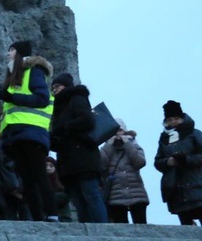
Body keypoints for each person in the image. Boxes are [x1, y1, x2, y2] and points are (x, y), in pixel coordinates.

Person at [0, 40, 58, 222]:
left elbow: (42, 98)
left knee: (38, 174)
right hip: (17, 134)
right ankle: (38, 217)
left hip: (32, 132)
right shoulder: (15, 76)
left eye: (12, 50)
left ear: (20, 53)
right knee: (27, 179)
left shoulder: (34, 71)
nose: (8, 54)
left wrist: (12, 97)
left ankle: (52, 214)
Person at [49, 72, 108, 223]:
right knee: (78, 199)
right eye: (53, 87)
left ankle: (101, 229)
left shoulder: (77, 99)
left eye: (57, 86)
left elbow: (87, 120)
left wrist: (64, 128)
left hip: (84, 157)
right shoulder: (57, 108)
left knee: (91, 195)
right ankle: (86, 229)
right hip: (67, 161)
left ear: (66, 86)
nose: (54, 90)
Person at [154, 100, 202, 226]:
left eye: (176, 118)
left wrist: (186, 159)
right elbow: (157, 161)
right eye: (170, 119)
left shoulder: (195, 133)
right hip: (176, 188)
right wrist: (168, 162)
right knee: (186, 224)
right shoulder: (164, 139)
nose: (173, 122)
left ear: (182, 118)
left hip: (197, 183)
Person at [100, 118, 149, 223]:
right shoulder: (106, 148)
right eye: (114, 131)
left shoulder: (134, 145)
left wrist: (127, 143)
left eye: (120, 130)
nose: (118, 134)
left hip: (137, 193)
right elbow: (101, 165)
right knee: (121, 227)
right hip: (115, 196)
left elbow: (140, 162)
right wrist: (109, 144)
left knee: (142, 226)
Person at [46, 156, 73, 223]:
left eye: (51, 166)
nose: (48, 168)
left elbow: (65, 196)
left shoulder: (61, 180)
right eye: (46, 165)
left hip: (63, 216)